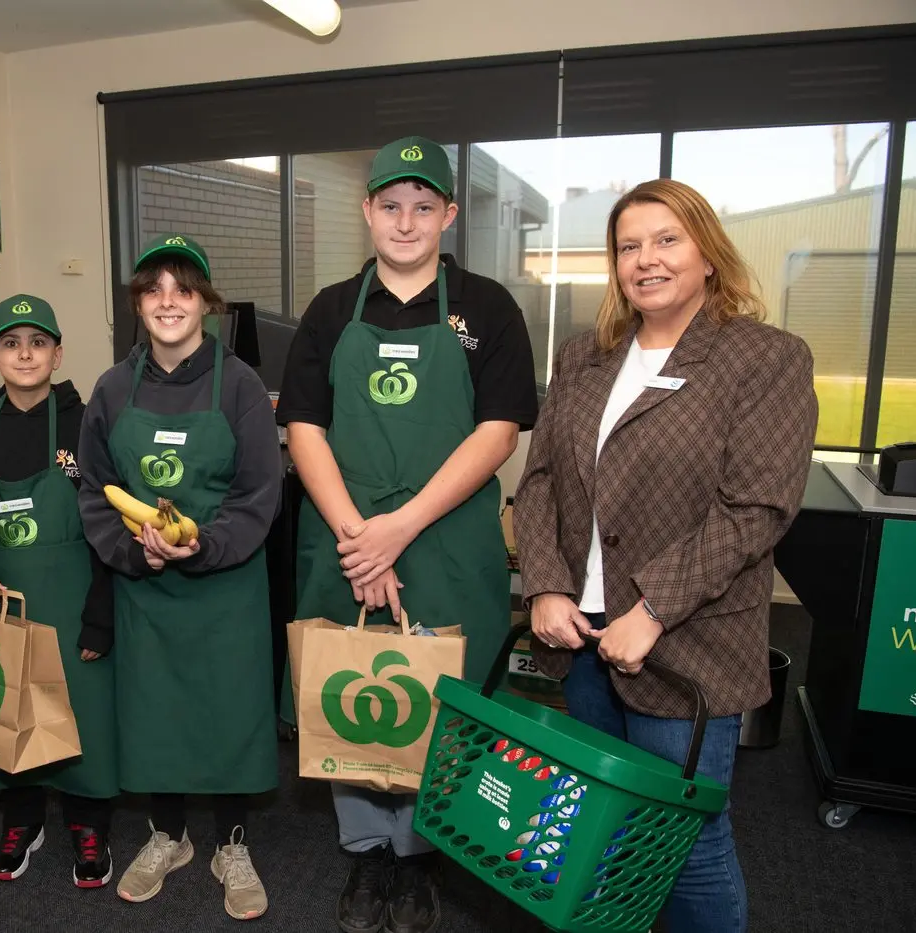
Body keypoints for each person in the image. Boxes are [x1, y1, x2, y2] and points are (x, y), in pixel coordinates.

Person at [513, 178, 818, 933]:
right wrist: (545, 585)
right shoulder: (583, 354)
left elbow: (754, 508)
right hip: (579, 634)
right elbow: (543, 478)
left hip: (685, 641)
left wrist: (649, 609)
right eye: (627, 246)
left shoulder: (764, 358)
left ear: (707, 254)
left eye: (665, 239)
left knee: (683, 838)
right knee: (597, 816)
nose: (644, 260)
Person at [276, 136, 538, 933]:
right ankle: (369, 853)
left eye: (423, 207)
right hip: (345, 532)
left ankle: (422, 853)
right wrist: (360, 537)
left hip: (445, 537)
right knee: (354, 684)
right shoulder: (329, 309)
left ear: (448, 214)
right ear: (367, 211)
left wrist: (399, 529)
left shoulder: (487, 307)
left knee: (443, 695)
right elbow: (302, 428)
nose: (405, 221)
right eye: (390, 205)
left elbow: (498, 432)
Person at [78, 234, 281, 921]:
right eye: (154, 289)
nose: (168, 301)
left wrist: (203, 545)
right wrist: (136, 552)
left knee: (228, 711)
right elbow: (94, 492)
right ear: (137, 303)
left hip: (224, 589)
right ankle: (168, 834)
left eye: (183, 288)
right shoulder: (110, 388)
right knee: (154, 713)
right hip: (144, 588)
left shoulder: (241, 385)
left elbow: (258, 493)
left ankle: (230, 843)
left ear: (205, 302)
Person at [0, 294, 118, 889]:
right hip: (3, 595)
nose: (25, 354)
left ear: (58, 353)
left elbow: (110, 521)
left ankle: (87, 823)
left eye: (38, 343)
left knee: (82, 712)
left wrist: (101, 611)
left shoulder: (87, 421)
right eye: (11, 344)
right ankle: (20, 818)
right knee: (9, 705)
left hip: (74, 595)